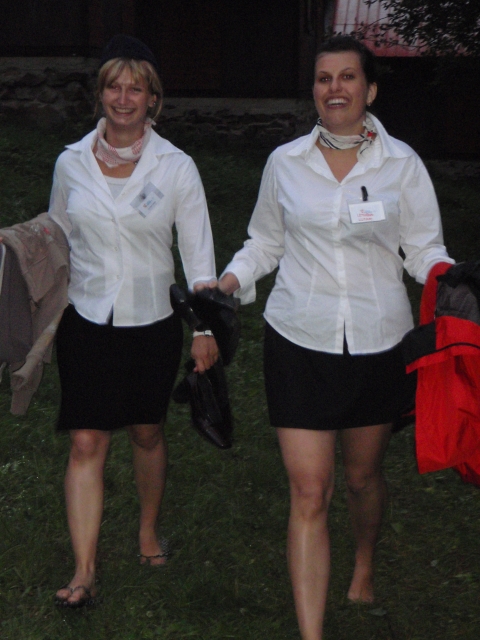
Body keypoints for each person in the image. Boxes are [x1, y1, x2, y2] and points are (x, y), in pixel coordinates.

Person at [218, 35, 454, 639]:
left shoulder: (402, 164)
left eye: (347, 77)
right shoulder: (286, 163)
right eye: (324, 78)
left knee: (361, 479)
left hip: (378, 340)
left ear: (369, 90)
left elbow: (423, 248)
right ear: (315, 92)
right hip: (299, 337)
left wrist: (448, 280)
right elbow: (265, 241)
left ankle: (365, 560)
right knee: (309, 491)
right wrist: (230, 281)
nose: (335, 88)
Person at [48, 35, 218, 607]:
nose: (124, 98)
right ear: (100, 94)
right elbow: (56, 236)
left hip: (151, 321)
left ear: (153, 99)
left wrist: (203, 329)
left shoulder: (177, 167)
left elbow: (198, 257)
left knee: (147, 432)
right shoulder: (71, 163)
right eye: (114, 87)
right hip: (86, 318)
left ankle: (147, 531)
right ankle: (84, 571)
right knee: (86, 440)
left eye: (135, 89)